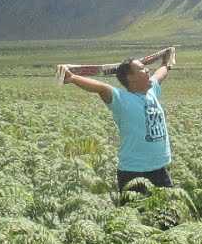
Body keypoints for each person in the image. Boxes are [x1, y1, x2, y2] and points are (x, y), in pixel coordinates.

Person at [62, 47, 176, 193]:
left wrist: (167, 61)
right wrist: (72, 78)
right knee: (136, 215)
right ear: (130, 78)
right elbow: (101, 88)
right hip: (134, 172)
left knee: (169, 213)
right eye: (142, 69)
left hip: (160, 170)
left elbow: (160, 74)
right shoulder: (121, 99)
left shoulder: (152, 90)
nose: (148, 71)